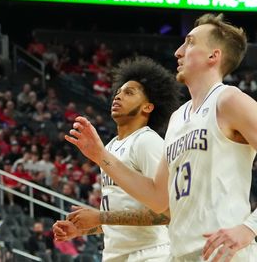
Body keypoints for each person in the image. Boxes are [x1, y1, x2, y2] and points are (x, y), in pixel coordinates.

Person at [66, 14, 257, 260]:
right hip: (180, 255)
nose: (178, 52)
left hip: (226, 254)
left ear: (213, 56)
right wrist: (101, 156)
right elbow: (157, 198)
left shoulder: (229, 100)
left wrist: (250, 227)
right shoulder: (178, 118)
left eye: (189, 43)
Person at [53, 56, 180, 261]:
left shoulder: (148, 141)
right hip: (115, 254)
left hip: (151, 254)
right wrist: (82, 230)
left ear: (148, 107)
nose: (117, 97)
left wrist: (100, 216)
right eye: (117, 92)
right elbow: (124, 215)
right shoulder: (111, 146)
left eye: (129, 92)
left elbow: (166, 213)